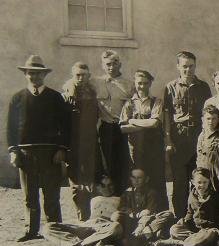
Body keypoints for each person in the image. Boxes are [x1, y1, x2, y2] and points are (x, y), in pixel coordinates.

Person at [7, 55, 70, 242]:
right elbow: (10, 127)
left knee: (51, 194)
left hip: (51, 153)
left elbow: (65, 125)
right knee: (29, 194)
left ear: (44, 75)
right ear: (25, 75)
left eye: (38, 74)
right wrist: (13, 151)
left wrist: (62, 149)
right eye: (30, 74)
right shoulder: (17, 98)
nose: (34, 77)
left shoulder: (55, 97)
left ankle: (55, 229)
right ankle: (31, 230)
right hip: (26, 153)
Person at [163, 51, 212, 219]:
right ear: (178, 67)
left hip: (198, 138)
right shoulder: (170, 87)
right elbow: (167, 116)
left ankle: (198, 217)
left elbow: (208, 113)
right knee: (180, 180)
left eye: (191, 66)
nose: (188, 70)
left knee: (199, 178)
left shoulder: (203, 87)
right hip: (179, 138)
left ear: (195, 66)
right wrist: (168, 139)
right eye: (184, 66)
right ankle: (179, 218)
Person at [120, 70, 167, 211]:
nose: (142, 86)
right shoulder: (129, 103)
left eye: (145, 83)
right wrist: (146, 124)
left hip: (154, 149)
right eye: (139, 83)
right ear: (135, 83)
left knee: (157, 182)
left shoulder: (157, 101)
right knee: (138, 183)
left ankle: (161, 216)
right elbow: (122, 128)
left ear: (150, 83)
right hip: (136, 150)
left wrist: (133, 121)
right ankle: (138, 216)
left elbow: (155, 124)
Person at [42, 177, 122, 246]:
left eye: (110, 185)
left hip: (104, 227)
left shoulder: (120, 199)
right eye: (103, 185)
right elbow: (79, 188)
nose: (107, 189)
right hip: (87, 225)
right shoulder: (93, 199)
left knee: (116, 227)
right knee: (47, 227)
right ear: (97, 187)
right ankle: (88, 245)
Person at [62, 62, 100, 222]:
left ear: (88, 76)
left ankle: (94, 216)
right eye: (77, 75)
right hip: (73, 144)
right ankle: (81, 216)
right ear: (73, 75)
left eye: (83, 75)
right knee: (76, 183)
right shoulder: (66, 95)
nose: (80, 78)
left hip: (91, 142)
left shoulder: (93, 93)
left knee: (92, 179)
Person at [91, 50, 133, 194]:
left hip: (123, 128)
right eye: (108, 64)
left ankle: (124, 198)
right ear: (103, 65)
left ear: (120, 64)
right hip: (106, 127)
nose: (111, 67)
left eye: (115, 63)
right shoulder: (95, 82)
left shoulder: (128, 84)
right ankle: (109, 198)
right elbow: (75, 83)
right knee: (107, 164)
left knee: (124, 163)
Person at [168, 168, 219, 246]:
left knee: (211, 233)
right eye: (199, 182)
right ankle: (200, 241)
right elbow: (190, 213)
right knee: (174, 229)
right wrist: (185, 220)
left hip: (209, 228)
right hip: (196, 228)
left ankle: (185, 243)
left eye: (205, 182)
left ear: (209, 182)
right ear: (193, 182)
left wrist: (217, 225)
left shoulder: (214, 196)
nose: (202, 185)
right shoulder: (192, 196)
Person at [114, 169, 176, 246]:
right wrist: (135, 214)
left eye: (139, 178)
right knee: (116, 215)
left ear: (146, 179)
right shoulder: (127, 193)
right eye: (134, 178)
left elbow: (148, 212)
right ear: (130, 179)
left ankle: (140, 236)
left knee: (167, 215)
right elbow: (122, 209)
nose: (136, 181)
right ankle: (144, 236)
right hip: (131, 221)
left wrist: (134, 214)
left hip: (146, 223)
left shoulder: (151, 193)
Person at [195, 105, 219, 190]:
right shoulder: (201, 136)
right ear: (202, 119)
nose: (211, 121)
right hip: (204, 176)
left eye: (214, 118)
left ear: (218, 119)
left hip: (218, 176)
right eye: (208, 118)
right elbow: (199, 156)